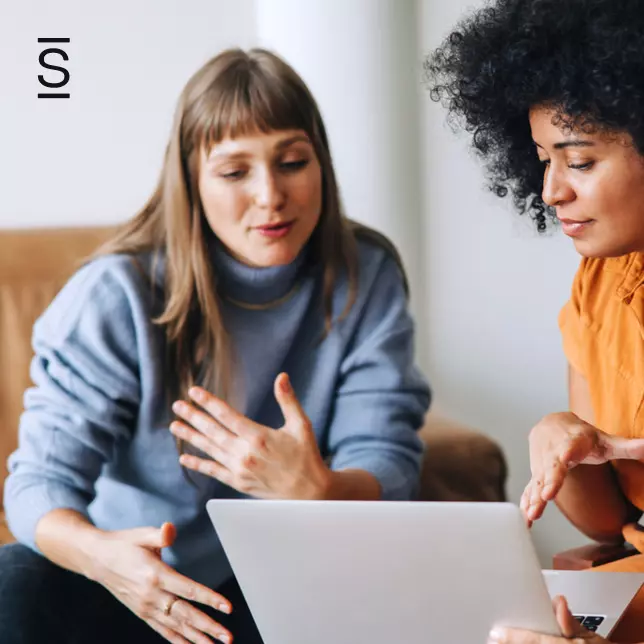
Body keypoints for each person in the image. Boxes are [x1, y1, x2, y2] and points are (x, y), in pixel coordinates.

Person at [0, 47, 430, 644]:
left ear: (322, 165)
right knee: (14, 579)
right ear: (192, 181)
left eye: (292, 162)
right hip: (134, 587)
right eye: (235, 172)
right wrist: (103, 558)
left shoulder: (366, 272)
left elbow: (386, 458)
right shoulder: (115, 293)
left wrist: (318, 488)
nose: (270, 195)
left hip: (286, 586)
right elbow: (37, 486)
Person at [425, 0, 644, 642]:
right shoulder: (598, 285)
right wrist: (564, 442)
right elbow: (608, 524)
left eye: (578, 161)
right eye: (543, 159)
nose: (551, 192)